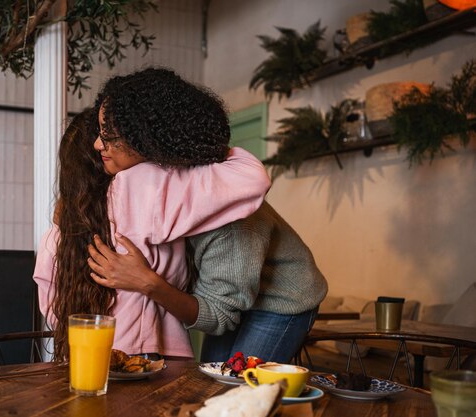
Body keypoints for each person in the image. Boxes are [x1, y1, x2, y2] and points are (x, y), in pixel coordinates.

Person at [33, 68, 271, 361]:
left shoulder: (53, 238)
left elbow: (52, 311)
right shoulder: (143, 192)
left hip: (84, 359)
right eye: (100, 136)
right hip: (158, 360)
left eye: (109, 136)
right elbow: (252, 176)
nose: (100, 144)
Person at [88, 201, 328, 363]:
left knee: (239, 395)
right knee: (210, 383)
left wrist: (147, 282)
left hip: (282, 301)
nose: (100, 144)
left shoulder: (231, 223)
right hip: (230, 295)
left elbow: (218, 316)